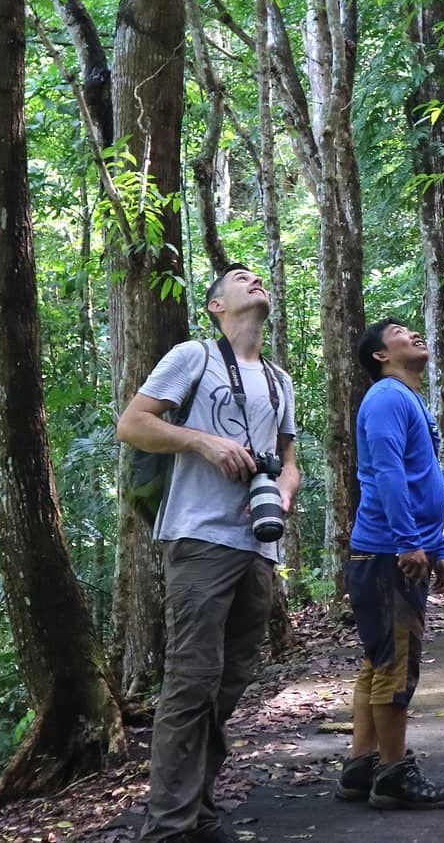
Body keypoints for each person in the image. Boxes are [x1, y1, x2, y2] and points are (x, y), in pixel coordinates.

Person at [117, 264, 301, 843]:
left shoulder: (279, 380)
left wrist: (285, 493)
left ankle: (196, 811)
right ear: (216, 306)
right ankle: (168, 828)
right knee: (192, 680)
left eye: (258, 276)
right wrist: (202, 440)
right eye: (239, 278)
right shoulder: (191, 356)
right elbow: (133, 424)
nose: (255, 280)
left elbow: (288, 459)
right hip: (198, 536)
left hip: (257, 544)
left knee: (233, 677)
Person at [335, 319, 444, 811]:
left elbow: (419, 479)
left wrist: (440, 544)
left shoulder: (407, 398)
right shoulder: (387, 396)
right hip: (390, 553)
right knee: (396, 664)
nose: (413, 334)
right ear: (381, 355)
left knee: (379, 657)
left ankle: (361, 763)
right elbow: (386, 472)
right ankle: (393, 772)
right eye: (400, 332)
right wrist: (410, 541)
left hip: (395, 549)